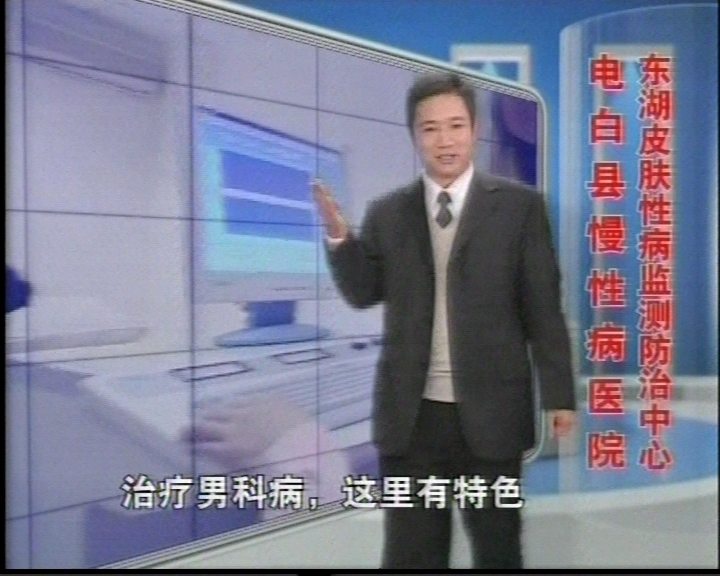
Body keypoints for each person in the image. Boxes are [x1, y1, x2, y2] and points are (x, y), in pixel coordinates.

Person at [313, 72, 577, 569]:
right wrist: (340, 238)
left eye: (455, 125)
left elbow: (542, 308)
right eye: (430, 128)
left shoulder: (520, 208)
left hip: (492, 416)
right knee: (410, 556)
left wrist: (559, 396)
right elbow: (363, 293)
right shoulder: (389, 212)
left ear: (474, 130)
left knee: (498, 552)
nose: (444, 140)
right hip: (412, 422)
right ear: (415, 136)